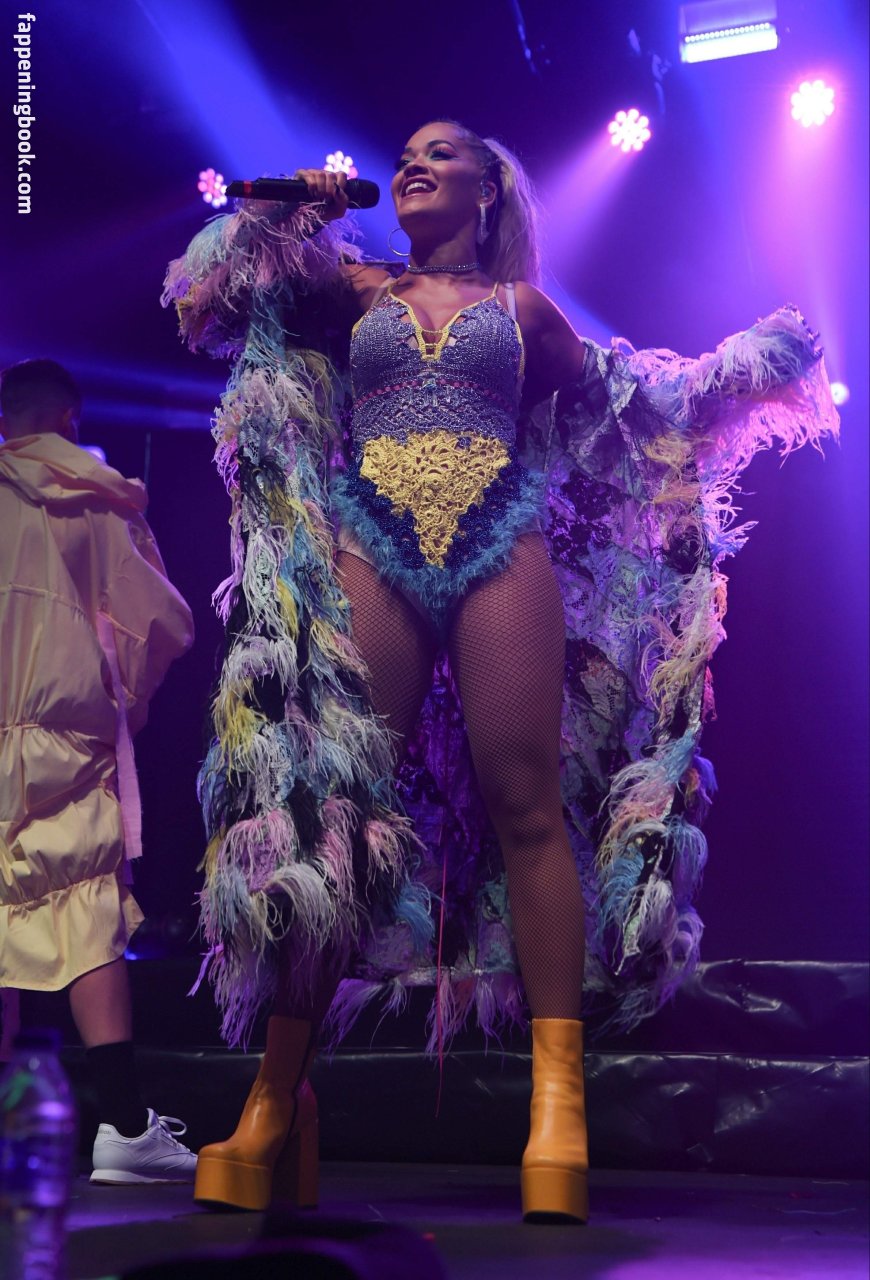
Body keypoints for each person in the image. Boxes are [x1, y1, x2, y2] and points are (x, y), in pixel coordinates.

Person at [162, 120, 838, 1222]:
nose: (415, 162)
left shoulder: (526, 311)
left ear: (488, 188)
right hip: (373, 540)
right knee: (339, 820)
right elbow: (225, 296)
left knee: (528, 805)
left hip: (497, 542)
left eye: (442, 152)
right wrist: (293, 206)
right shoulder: (360, 290)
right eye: (406, 153)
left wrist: (740, 370)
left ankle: (557, 1102)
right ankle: (277, 1097)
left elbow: (633, 402)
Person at [0, 359, 198, 1184]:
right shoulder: (93, 497)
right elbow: (159, 621)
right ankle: (120, 1125)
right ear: (69, 419)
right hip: (64, 734)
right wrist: (127, 693)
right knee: (86, 909)